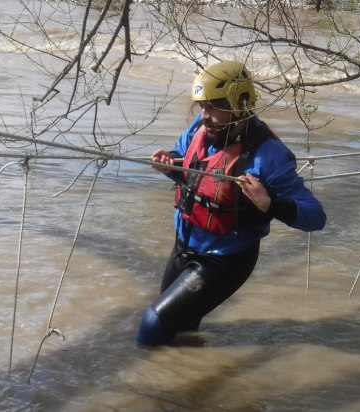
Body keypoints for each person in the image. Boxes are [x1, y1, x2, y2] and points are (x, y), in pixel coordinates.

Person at [135, 60, 326, 346]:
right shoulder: (199, 131)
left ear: (240, 104)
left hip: (224, 261)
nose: (205, 116)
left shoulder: (270, 157)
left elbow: (316, 217)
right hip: (183, 248)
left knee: (153, 325)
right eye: (202, 106)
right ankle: (181, 387)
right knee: (181, 331)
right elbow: (193, 171)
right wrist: (170, 167)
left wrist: (269, 204)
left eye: (214, 106)